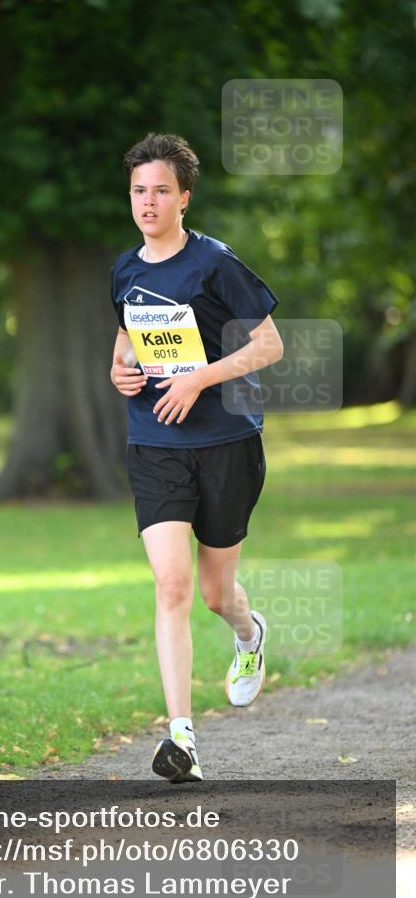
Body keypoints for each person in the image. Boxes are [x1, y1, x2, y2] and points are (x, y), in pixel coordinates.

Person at [109, 133, 283, 782]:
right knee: (171, 583)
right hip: (154, 443)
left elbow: (267, 346)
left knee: (214, 594)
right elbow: (125, 344)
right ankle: (180, 736)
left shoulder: (214, 264)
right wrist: (121, 373)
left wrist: (198, 378)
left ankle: (248, 633)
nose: (147, 202)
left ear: (184, 197)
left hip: (225, 442)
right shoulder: (124, 269)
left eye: (159, 190)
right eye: (137, 191)